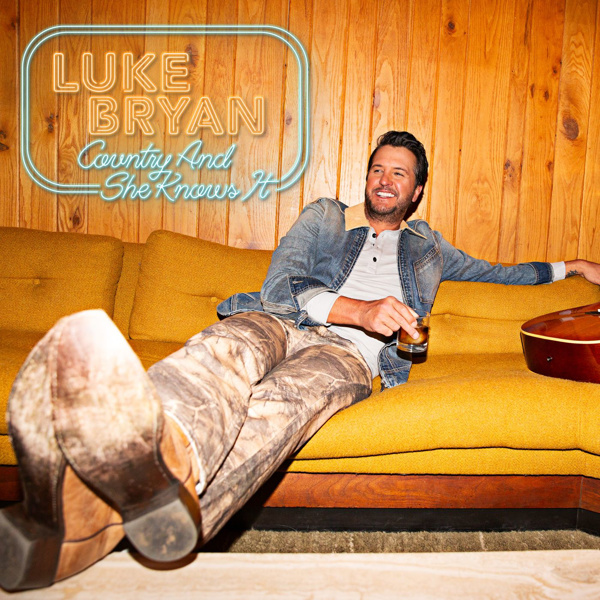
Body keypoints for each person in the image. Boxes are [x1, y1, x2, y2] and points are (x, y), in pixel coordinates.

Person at [1, 131, 599, 591]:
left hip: (348, 356)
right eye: (378, 168)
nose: (385, 180)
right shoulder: (325, 216)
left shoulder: (428, 248)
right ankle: (155, 456)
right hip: (281, 321)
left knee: (283, 403)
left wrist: (573, 266)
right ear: (366, 177)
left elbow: (506, 274)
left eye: (400, 173)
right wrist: (359, 309)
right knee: (225, 351)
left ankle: (91, 519)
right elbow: (281, 283)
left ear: (416, 191)